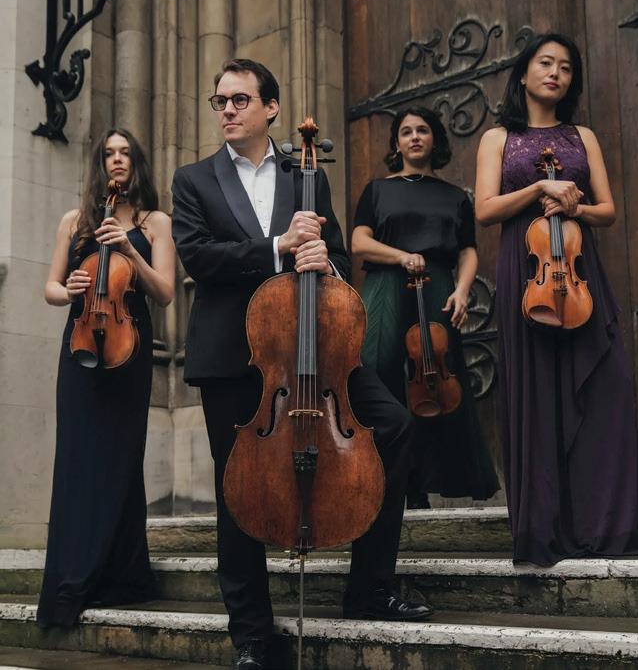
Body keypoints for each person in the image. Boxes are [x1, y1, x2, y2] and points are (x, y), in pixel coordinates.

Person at [171, 58, 432, 670]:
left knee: (394, 426)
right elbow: (198, 256)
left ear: (271, 109)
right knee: (237, 489)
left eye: (239, 99)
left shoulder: (305, 175)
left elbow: (337, 252)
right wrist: (277, 248)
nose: (227, 110)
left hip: (316, 352)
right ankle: (253, 637)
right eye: (220, 101)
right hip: (234, 354)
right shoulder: (194, 180)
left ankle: (368, 590)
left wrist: (322, 260)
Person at [474, 33, 638, 565]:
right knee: (535, 393)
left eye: (565, 67)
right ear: (524, 73)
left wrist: (575, 207)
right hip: (527, 269)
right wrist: (539, 189)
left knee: (606, 384)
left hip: (579, 271)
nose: (556, 73)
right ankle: (546, 530)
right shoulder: (498, 138)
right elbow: (485, 210)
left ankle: (609, 524)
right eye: (545, 63)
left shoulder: (583, 137)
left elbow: (609, 211)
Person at [38, 129, 175, 627]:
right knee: (77, 459)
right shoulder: (75, 222)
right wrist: (70, 288)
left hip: (128, 349)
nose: (117, 160)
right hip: (79, 348)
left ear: (136, 163)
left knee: (120, 458)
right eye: (108, 154)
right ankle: (73, 577)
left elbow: (165, 293)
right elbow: (51, 288)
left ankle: (121, 575)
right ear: (99, 165)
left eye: (125, 153)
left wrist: (131, 252)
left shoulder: (155, 222)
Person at [351, 106, 499, 509]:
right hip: (386, 282)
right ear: (396, 145)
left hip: (437, 286)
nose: (414, 137)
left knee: (435, 382)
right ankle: (385, 480)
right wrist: (401, 256)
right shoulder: (377, 190)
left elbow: (467, 251)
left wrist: (463, 291)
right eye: (406, 132)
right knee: (377, 371)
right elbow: (360, 242)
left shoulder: (455, 197)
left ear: (435, 140)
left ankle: (423, 486)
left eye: (422, 130)